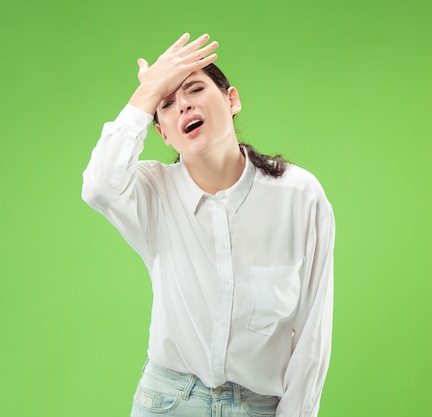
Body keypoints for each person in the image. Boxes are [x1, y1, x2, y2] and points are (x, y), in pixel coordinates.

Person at [82, 33, 335, 417]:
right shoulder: (153, 192)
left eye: (194, 89)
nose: (183, 105)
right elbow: (99, 186)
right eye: (167, 104)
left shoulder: (299, 196)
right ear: (163, 133)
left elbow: (312, 335)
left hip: (258, 406)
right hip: (167, 402)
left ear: (231, 100)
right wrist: (145, 94)